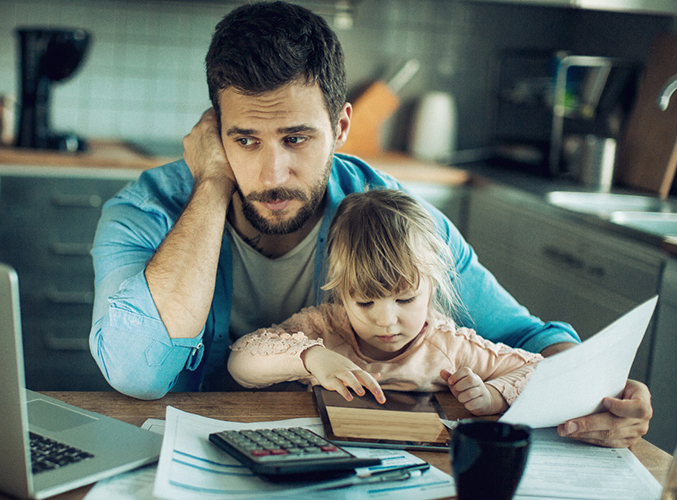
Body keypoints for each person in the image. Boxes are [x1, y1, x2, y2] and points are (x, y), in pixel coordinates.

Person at [89, 1, 652, 447]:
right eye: (245, 139)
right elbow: (138, 372)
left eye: (296, 138)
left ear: (340, 126)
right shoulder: (147, 210)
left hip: (346, 463)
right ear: (214, 132)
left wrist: (596, 394)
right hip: (187, 457)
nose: (271, 173)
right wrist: (211, 186)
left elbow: (527, 339)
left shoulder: (389, 216)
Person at [227, 189, 543, 416]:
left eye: (405, 299)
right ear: (342, 292)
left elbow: (539, 370)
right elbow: (240, 363)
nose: (386, 320)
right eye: (365, 303)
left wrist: (492, 396)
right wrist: (312, 358)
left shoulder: (450, 346)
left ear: (432, 287)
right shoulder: (324, 328)